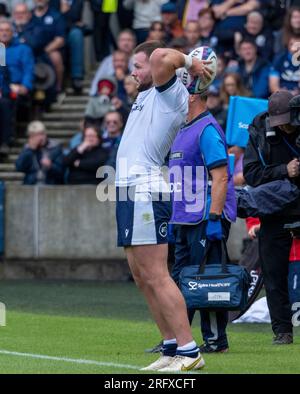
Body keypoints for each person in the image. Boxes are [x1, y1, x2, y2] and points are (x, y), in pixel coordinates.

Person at [115, 40, 212, 371]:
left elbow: (160, 55)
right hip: (129, 189)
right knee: (142, 276)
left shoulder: (170, 94)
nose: (134, 71)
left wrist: (189, 62)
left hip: (145, 188)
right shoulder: (147, 94)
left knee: (156, 273)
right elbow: (156, 61)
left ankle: (189, 351)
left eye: (138, 66)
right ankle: (171, 347)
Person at [169, 84, 237, 354]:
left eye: (180, 92)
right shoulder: (184, 128)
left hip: (203, 217)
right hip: (185, 218)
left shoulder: (206, 129)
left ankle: (215, 340)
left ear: (193, 97)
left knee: (206, 281)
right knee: (179, 282)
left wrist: (214, 218)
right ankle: (177, 339)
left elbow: (221, 176)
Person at [243, 90, 300, 344]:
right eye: (280, 123)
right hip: (274, 210)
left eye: (288, 121)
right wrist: (284, 171)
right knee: (273, 273)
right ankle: (282, 331)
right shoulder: (258, 129)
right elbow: (252, 174)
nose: (284, 127)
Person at [15, 120, 64, 185]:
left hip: (51, 185)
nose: (40, 138)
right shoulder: (28, 149)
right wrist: (30, 150)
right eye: (36, 135)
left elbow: (61, 171)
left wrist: (50, 166)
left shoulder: (55, 148)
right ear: (31, 137)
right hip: (31, 184)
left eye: (41, 134)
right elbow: (19, 167)